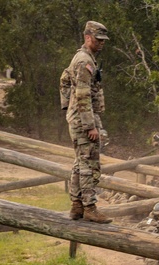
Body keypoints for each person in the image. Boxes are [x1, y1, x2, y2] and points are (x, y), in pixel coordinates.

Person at [60, 21, 112, 224]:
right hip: (84, 119)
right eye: (98, 40)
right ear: (87, 37)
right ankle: (90, 207)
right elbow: (82, 95)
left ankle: (77, 206)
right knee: (89, 163)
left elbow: (64, 79)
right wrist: (89, 125)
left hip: (79, 116)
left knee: (80, 162)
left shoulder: (84, 58)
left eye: (103, 40)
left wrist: (68, 106)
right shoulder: (84, 61)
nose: (101, 44)